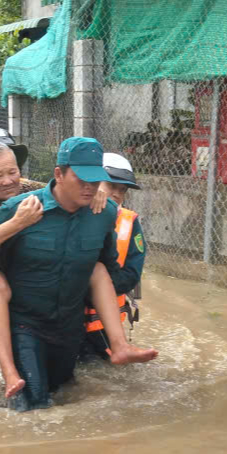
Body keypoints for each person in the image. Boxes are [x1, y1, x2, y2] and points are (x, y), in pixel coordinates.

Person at [0, 137, 157, 411]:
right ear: (59, 174)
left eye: (95, 180)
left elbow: (106, 267)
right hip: (26, 326)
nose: (90, 187)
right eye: (82, 180)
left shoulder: (105, 214)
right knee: (33, 409)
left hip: (70, 329)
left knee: (63, 400)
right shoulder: (18, 211)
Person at [82, 153, 146, 360]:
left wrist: (98, 290)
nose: (117, 194)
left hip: (103, 326)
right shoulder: (70, 212)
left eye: (123, 190)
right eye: (111, 186)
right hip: (66, 322)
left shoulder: (130, 222)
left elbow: (132, 275)